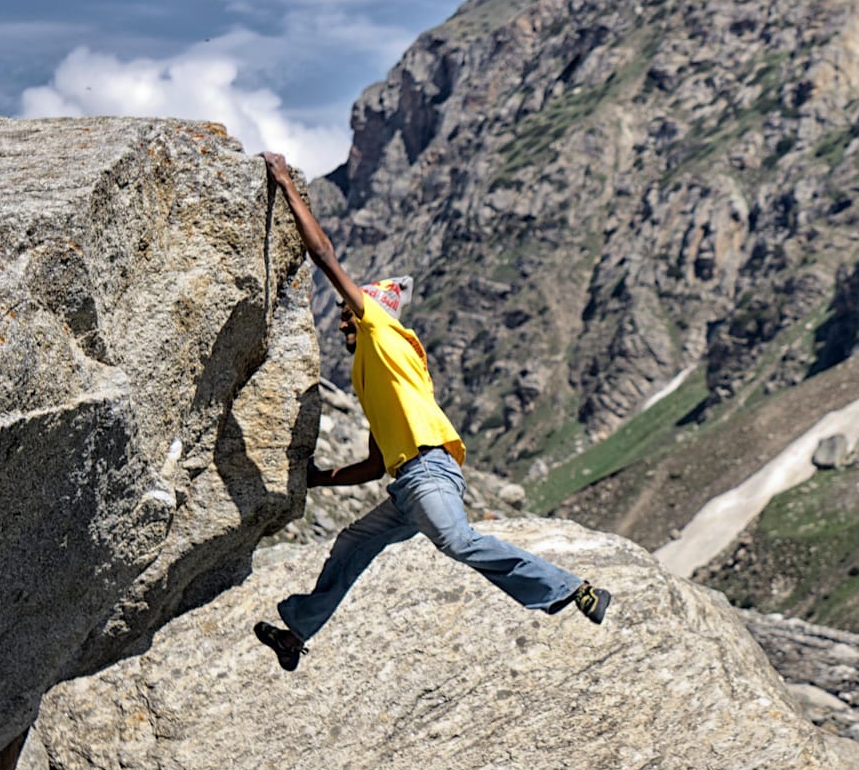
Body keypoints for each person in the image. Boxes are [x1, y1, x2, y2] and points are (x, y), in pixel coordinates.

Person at [253, 151, 611, 671]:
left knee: (458, 541)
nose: (340, 321)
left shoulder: (381, 332)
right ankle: (297, 632)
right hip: (408, 484)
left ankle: (573, 590)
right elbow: (376, 465)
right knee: (353, 543)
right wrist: (315, 479)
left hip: (428, 471)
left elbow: (325, 256)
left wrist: (284, 185)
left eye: (346, 314)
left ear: (366, 312)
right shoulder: (374, 376)